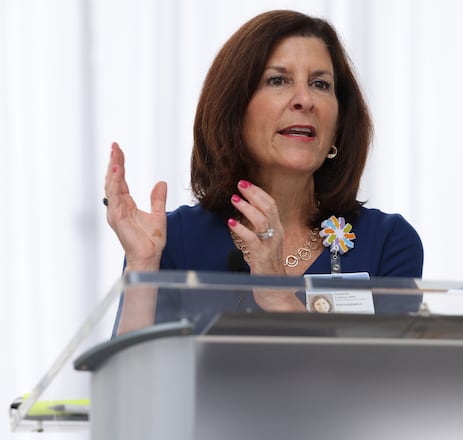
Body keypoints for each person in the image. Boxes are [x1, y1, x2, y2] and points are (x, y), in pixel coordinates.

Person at [104, 10, 424, 335]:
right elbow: (134, 382)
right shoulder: (172, 240)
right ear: (234, 110)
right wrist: (143, 265)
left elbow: (389, 380)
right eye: (278, 80)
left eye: (320, 84)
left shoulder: (388, 242)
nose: (305, 100)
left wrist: (280, 298)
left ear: (340, 123)